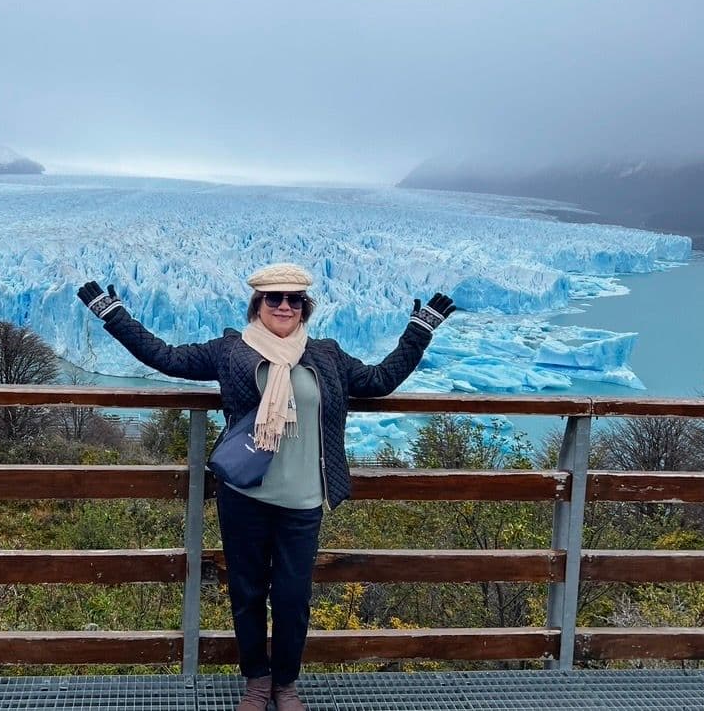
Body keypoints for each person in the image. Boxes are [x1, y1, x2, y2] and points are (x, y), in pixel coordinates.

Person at [78, 263, 455, 711]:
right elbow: (167, 357)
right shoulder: (231, 351)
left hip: (303, 500)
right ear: (258, 304)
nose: (283, 306)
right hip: (245, 496)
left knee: (293, 598)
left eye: (293, 299)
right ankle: (257, 680)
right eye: (273, 298)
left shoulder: (327, 355)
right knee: (248, 591)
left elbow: (379, 380)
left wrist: (419, 329)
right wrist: (113, 313)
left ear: (304, 308)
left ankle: (286, 684)